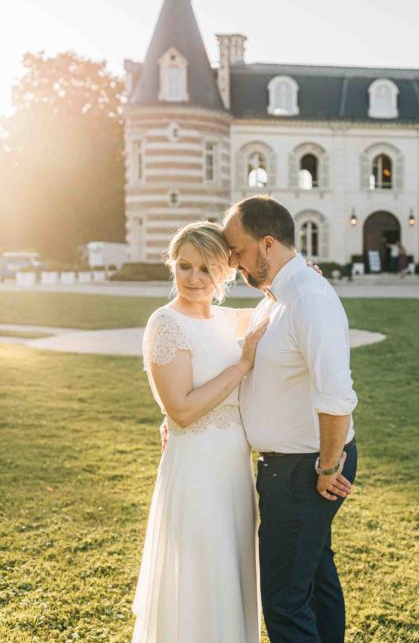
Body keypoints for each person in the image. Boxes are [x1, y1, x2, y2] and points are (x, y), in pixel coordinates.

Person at [223, 196, 358, 643]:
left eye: (238, 251)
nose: (234, 263)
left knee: (284, 599)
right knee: (315, 582)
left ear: (267, 244)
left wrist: (327, 466)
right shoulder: (277, 296)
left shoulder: (308, 297)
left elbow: (336, 397)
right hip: (293, 466)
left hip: (306, 468)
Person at [132, 220, 269, 642]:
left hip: (233, 468)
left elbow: (281, 307)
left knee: (231, 567)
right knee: (200, 571)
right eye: (184, 266)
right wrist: (242, 365)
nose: (193, 278)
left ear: (226, 270)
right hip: (196, 469)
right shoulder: (165, 323)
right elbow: (182, 410)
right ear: (172, 264)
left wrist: (304, 274)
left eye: (206, 268)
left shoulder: (229, 320)